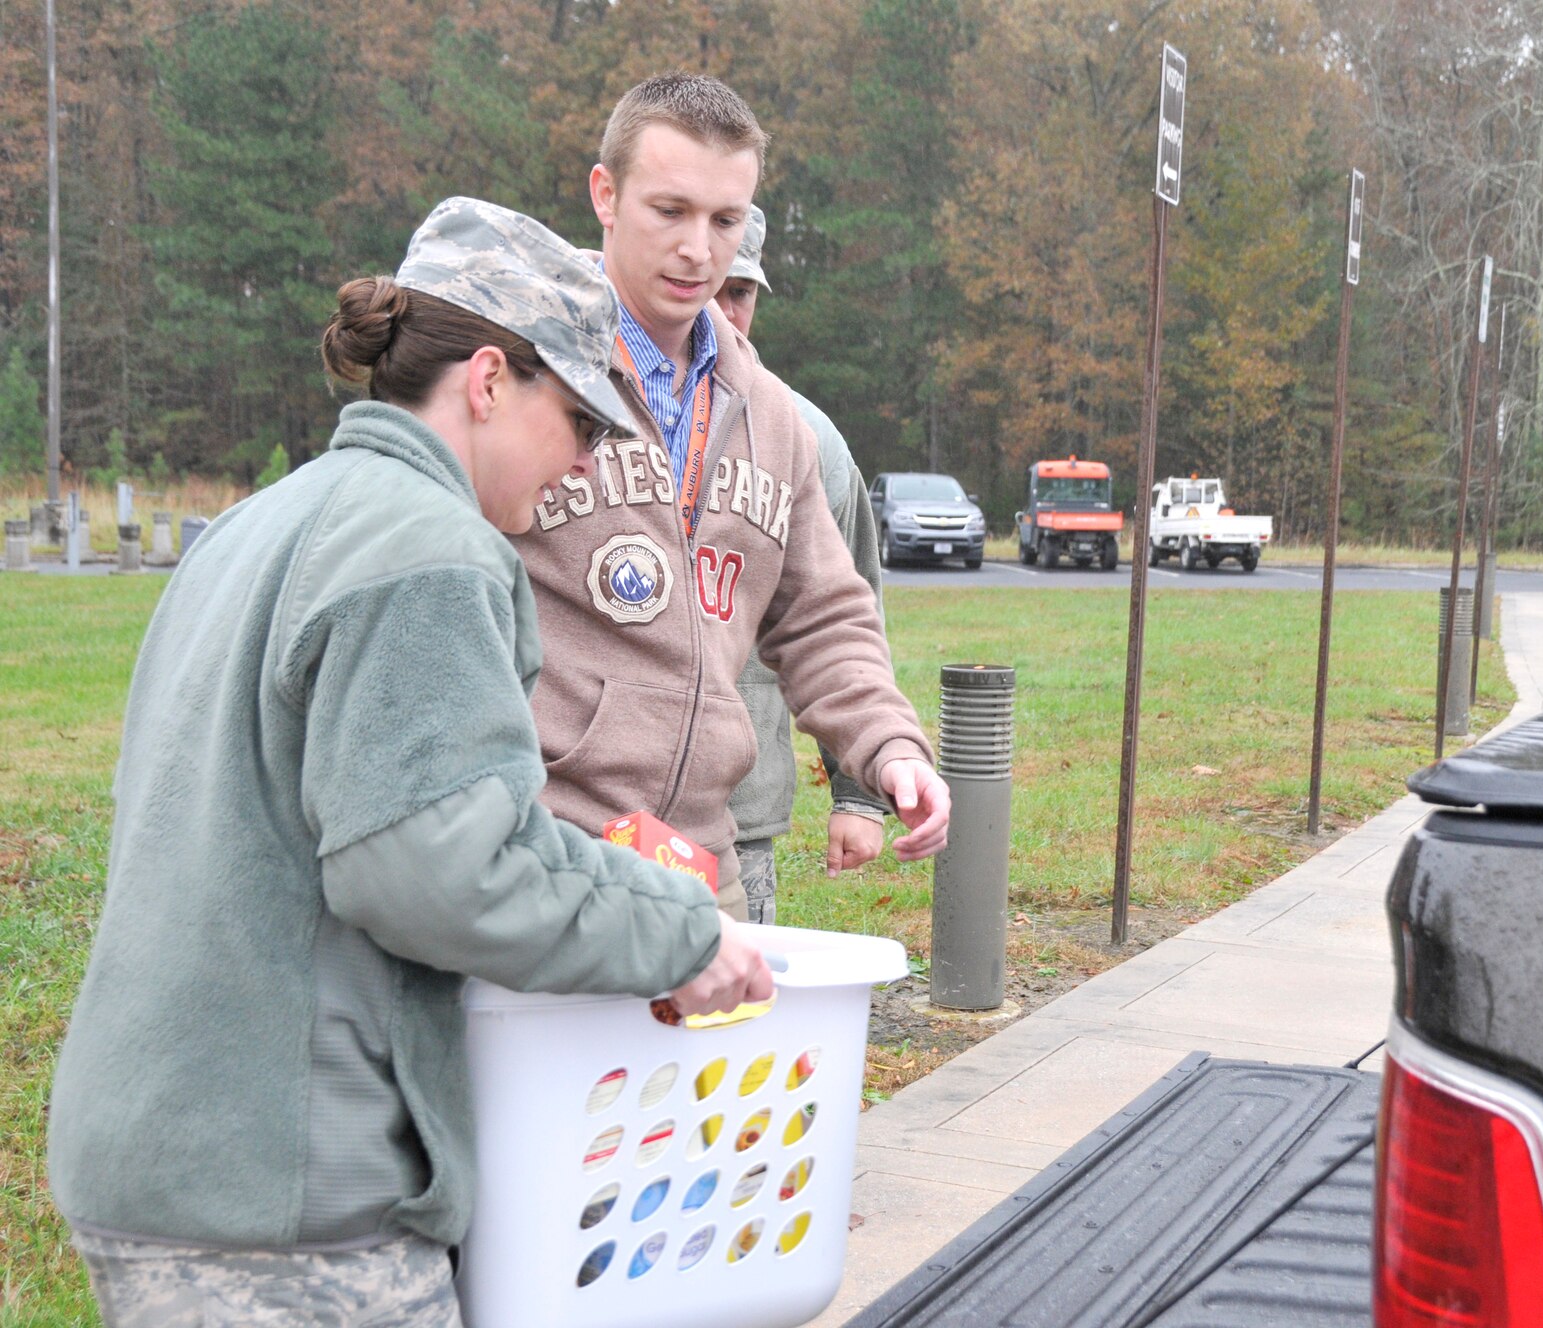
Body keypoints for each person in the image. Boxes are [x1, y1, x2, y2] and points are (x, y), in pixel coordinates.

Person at [45, 197, 770, 1327]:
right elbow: (431, 870)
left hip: (155, 1154)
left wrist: (637, 889)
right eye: (578, 422)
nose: (581, 464)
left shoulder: (257, 524)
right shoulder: (433, 551)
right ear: (489, 380)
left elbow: (424, 819)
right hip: (283, 1195)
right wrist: (679, 939)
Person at [517, 73, 948, 918]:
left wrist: (891, 750)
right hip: (544, 862)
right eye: (669, 211)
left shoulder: (775, 417)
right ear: (605, 194)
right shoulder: (522, 371)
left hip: (705, 879)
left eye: (725, 222)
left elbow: (825, 615)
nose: (698, 251)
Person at [718, 204, 893, 924]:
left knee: (725, 1032)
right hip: (588, 811)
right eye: (706, 285)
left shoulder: (807, 438)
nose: (723, 310)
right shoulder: (585, 411)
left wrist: (859, 793)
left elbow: (843, 616)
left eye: (740, 291)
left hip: (738, 822)